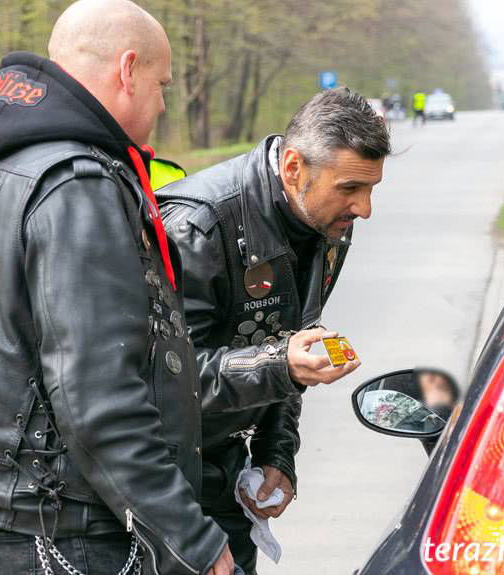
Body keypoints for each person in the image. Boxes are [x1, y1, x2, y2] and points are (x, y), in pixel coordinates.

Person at [0, 1, 235, 573]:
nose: (164, 102)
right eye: (161, 84)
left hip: (3, 512)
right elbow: (96, 391)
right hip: (71, 523)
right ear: (127, 69)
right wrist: (188, 535)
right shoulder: (76, 184)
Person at [156, 87, 391, 574]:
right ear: (292, 169)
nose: (364, 208)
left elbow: (292, 340)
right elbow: (161, 380)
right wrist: (280, 363)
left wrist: (274, 455)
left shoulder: (325, 223)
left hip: (223, 465)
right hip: (156, 481)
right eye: (350, 188)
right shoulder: (198, 224)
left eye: (371, 189)